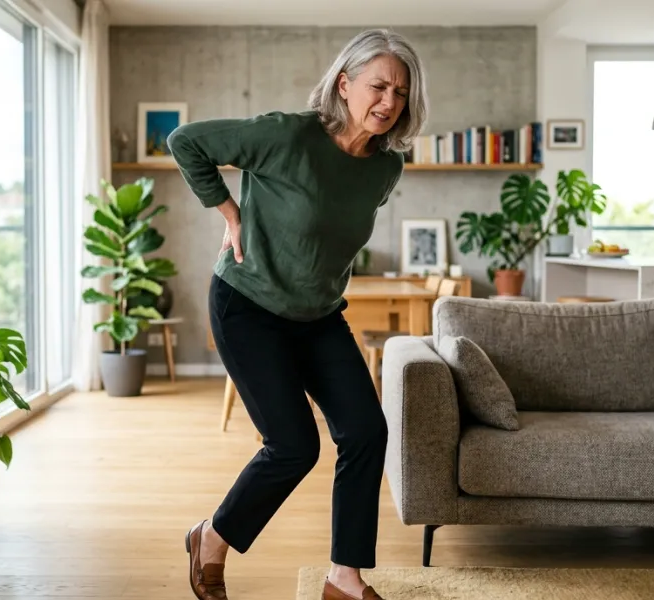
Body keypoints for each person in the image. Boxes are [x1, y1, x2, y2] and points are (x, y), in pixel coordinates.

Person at [167, 29, 428, 600]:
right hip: (248, 307)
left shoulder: (386, 168)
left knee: (364, 430)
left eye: (400, 92)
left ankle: (344, 577)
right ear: (344, 83)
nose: (388, 101)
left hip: (319, 316)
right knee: (294, 446)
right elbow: (186, 141)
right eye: (378, 86)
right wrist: (231, 214)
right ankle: (210, 537)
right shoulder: (286, 135)